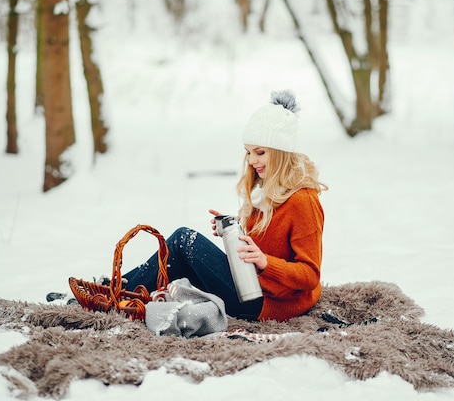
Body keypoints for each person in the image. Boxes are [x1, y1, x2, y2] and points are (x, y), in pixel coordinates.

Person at [117, 90, 326, 322]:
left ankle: (115, 292)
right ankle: (117, 291)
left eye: (260, 152)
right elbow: (264, 244)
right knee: (181, 257)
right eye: (248, 152)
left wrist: (264, 262)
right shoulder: (264, 192)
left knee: (184, 241)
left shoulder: (303, 200)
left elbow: (309, 275)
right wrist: (233, 230)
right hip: (250, 285)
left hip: (266, 302)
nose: (251, 160)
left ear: (281, 153)